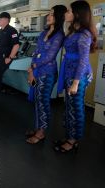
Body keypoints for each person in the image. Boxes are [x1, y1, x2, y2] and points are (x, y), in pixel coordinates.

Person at [54, 0, 97, 153]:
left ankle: (73, 141)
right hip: (69, 73)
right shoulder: (73, 30)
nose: (66, 13)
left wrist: (76, 83)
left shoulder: (84, 34)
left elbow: (84, 60)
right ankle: (69, 136)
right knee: (69, 107)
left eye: (69, 11)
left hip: (78, 76)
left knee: (76, 108)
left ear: (77, 14)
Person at [25, 5, 67, 144]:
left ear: (59, 17)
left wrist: (33, 67)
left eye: (52, 15)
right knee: (38, 101)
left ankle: (41, 132)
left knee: (43, 102)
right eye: (49, 14)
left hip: (48, 73)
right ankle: (38, 127)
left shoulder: (59, 35)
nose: (48, 17)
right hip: (37, 70)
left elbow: (49, 56)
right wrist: (32, 68)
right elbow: (36, 52)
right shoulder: (44, 33)